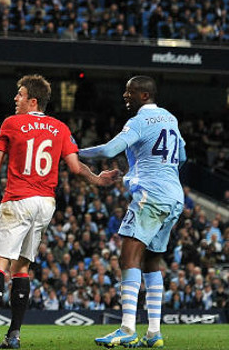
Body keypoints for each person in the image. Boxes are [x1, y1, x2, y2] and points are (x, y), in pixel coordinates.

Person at [0, 75, 118, 348]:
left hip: (18, 199)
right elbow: (76, 168)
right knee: (22, 268)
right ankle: (14, 335)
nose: (14, 99)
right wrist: (98, 179)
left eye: (19, 95)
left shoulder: (11, 123)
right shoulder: (60, 128)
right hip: (45, 204)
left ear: (33, 101)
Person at [81, 76, 186, 349]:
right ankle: (154, 333)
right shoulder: (170, 119)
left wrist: (74, 151)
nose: (125, 96)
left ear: (143, 96)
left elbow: (109, 149)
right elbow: (182, 156)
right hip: (174, 197)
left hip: (151, 196)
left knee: (128, 256)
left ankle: (127, 328)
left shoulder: (139, 121)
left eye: (130, 92)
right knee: (151, 261)